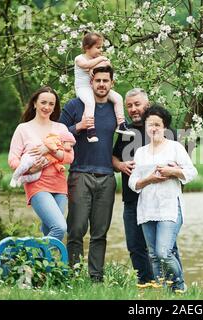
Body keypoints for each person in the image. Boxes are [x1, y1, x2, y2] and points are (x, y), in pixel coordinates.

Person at [112, 89, 184, 286]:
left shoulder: (166, 131)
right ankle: (147, 285)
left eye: (137, 104)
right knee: (136, 247)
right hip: (132, 199)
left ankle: (175, 286)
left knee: (167, 249)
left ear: (147, 104)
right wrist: (120, 165)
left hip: (161, 201)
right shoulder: (126, 130)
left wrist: (173, 171)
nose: (134, 109)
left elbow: (183, 166)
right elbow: (114, 157)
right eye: (129, 105)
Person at [128, 105, 198, 292]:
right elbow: (132, 183)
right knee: (153, 254)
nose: (154, 128)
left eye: (158, 124)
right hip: (147, 208)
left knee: (163, 252)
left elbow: (191, 173)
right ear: (145, 126)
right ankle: (163, 293)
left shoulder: (175, 147)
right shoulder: (140, 152)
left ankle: (179, 286)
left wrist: (172, 171)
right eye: (150, 124)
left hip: (169, 207)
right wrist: (148, 179)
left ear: (164, 126)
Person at [59, 65, 118, 283]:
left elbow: (126, 139)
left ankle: (96, 278)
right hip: (80, 174)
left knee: (100, 232)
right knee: (76, 228)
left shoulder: (115, 109)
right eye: (98, 80)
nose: (102, 84)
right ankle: (73, 276)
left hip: (107, 177)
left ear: (112, 83)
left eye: (106, 81)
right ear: (91, 82)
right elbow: (56, 132)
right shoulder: (76, 105)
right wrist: (79, 126)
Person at [8, 86, 74, 241]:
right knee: (60, 227)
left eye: (51, 104)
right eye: (43, 102)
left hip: (59, 185)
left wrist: (49, 150)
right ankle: (37, 261)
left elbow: (69, 158)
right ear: (34, 104)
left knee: (48, 229)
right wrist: (29, 170)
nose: (47, 107)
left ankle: (46, 264)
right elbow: (13, 159)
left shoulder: (61, 128)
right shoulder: (23, 129)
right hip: (37, 184)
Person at [74, 32, 134, 142]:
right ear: (87, 47)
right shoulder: (79, 58)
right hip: (83, 88)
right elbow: (86, 65)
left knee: (118, 98)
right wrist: (102, 59)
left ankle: (121, 124)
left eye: (101, 47)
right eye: (98, 47)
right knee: (90, 102)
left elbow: (109, 67)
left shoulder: (97, 59)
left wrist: (103, 62)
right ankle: (90, 130)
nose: (100, 50)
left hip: (96, 87)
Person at [9, 131, 76, 188]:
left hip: (42, 167)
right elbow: (47, 141)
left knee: (36, 177)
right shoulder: (56, 140)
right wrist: (52, 149)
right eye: (71, 146)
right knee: (24, 166)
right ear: (64, 142)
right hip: (33, 156)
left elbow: (57, 162)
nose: (71, 148)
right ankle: (14, 177)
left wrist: (60, 167)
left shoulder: (62, 148)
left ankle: (21, 179)